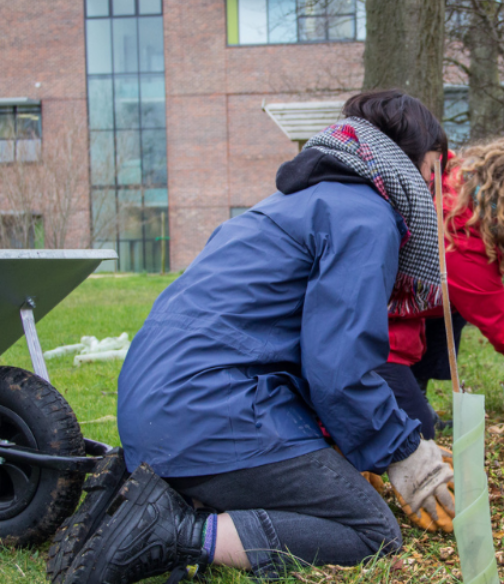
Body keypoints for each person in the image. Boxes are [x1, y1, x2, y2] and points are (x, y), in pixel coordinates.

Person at [53, 90, 456, 584]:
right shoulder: (367, 217)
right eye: (436, 170)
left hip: (157, 409)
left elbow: (300, 354)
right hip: (208, 414)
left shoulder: (295, 202)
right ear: (413, 165)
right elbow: (337, 371)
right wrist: (403, 451)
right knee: (369, 529)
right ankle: (174, 530)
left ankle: (140, 498)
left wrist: (360, 450)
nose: (437, 191)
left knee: (338, 489)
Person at [375, 135, 504, 441]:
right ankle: (397, 396)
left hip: (397, 306)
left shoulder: (459, 181)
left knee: (452, 307)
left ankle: (414, 389)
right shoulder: (460, 239)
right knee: (417, 436)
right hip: (374, 327)